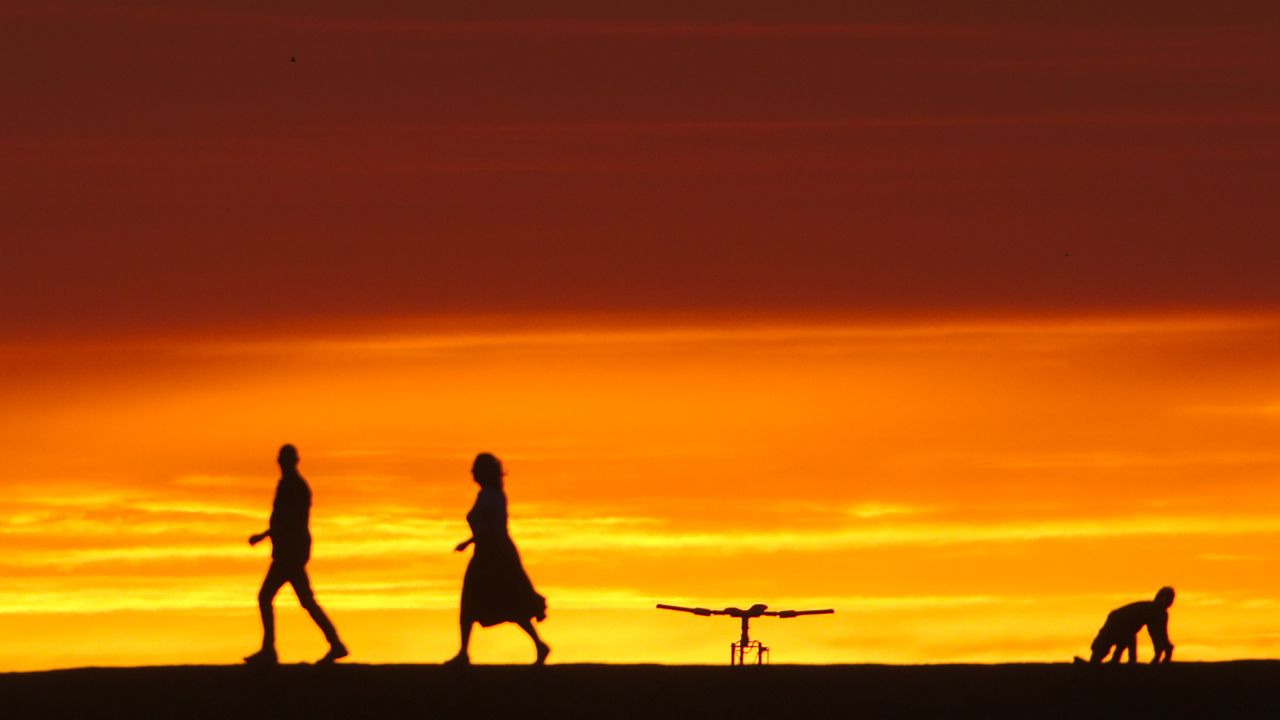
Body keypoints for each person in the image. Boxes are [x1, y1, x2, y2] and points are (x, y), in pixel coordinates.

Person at [243, 444, 348, 665]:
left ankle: (269, 651)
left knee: (266, 597)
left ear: (290, 462)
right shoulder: (290, 485)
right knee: (305, 601)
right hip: (290, 551)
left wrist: (264, 536)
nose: (281, 463)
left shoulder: (294, 487)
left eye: (284, 460)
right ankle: (335, 644)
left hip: (290, 553)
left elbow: (291, 520)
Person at [446, 452, 549, 666]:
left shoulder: (491, 496)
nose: (472, 472)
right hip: (488, 553)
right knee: (484, 604)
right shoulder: (488, 494)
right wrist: (471, 541)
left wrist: (469, 542)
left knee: (499, 603)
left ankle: (465, 653)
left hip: (494, 556)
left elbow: (493, 529)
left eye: (476, 469)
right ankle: (465, 652)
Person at [1085, 586, 1175, 664]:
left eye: (1097, 653)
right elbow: (1123, 641)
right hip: (1152, 612)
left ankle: (1165, 654)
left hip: (1153, 613)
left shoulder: (1113, 627)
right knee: (1158, 635)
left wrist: (1131, 660)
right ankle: (1161, 655)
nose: (1096, 656)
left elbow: (1129, 637)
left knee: (1158, 635)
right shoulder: (1112, 626)